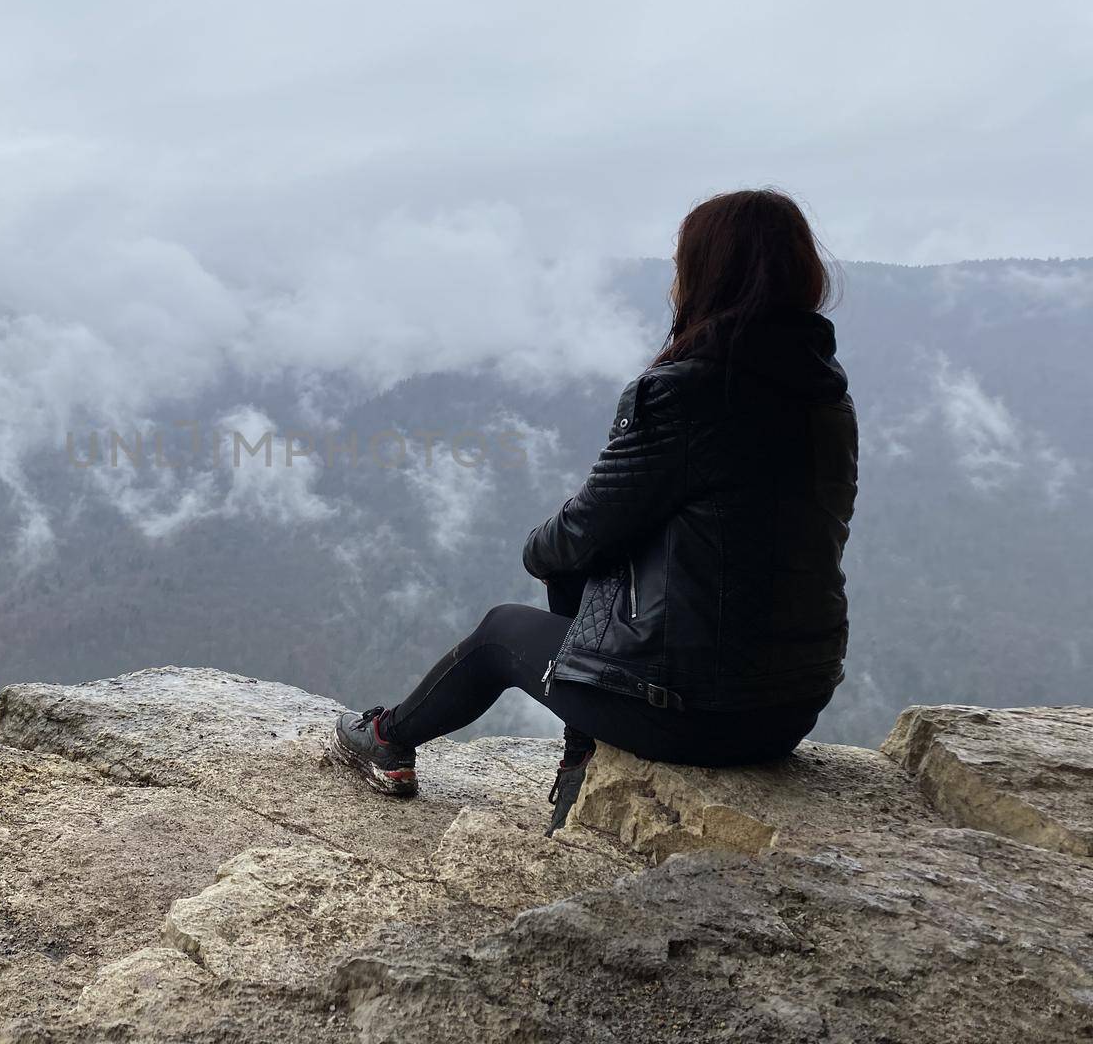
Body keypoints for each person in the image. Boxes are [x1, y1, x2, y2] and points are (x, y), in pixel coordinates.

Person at [330, 189, 858, 834]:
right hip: (792, 705)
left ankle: (387, 739)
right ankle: (581, 769)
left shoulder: (688, 393)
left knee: (504, 628)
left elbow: (576, 538)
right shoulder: (826, 395)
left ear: (703, 275)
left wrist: (542, 545)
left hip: (694, 713)